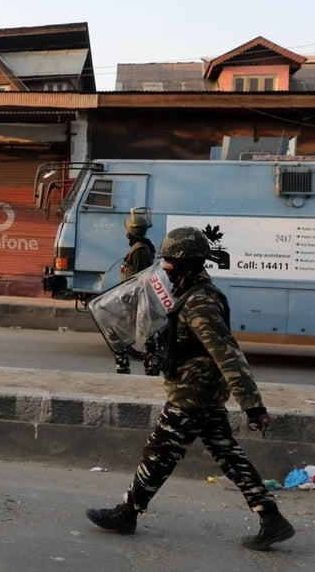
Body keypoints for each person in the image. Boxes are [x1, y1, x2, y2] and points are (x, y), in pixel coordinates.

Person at [86, 226, 294, 551]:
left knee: (159, 452)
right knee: (226, 454)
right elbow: (185, 343)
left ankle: (128, 512)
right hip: (199, 392)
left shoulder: (200, 303)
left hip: (192, 394)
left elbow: (228, 355)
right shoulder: (190, 294)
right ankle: (272, 518)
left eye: (170, 262)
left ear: (187, 263)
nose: (165, 268)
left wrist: (253, 406)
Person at [113, 209, 157, 375]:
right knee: (144, 336)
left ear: (131, 232)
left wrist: (133, 301)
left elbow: (139, 278)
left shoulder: (139, 250)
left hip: (135, 300)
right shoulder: (140, 247)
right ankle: (149, 366)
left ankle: (126, 367)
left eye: (127, 230)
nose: (125, 233)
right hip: (134, 300)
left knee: (117, 332)